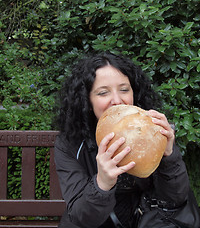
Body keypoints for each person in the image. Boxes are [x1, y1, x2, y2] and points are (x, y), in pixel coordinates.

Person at [54, 52, 190, 228]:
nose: (117, 101)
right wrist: (102, 183)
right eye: (103, 93)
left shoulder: (152, 132)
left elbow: (175, 199)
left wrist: (169, 157)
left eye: (124, 89)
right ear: (87, 101)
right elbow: (81, 218)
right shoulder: (69, 144)